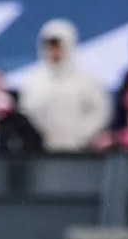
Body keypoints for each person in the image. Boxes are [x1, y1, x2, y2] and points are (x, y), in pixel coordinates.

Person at [19, 19, 111, 152]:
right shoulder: (34, 81)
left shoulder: (86, 80)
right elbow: (26, 113)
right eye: (50, 46)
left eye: (58, 46)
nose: (54, 51)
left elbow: (100, 111)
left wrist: (82, 134)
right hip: (42, 152)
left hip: (80, 151)